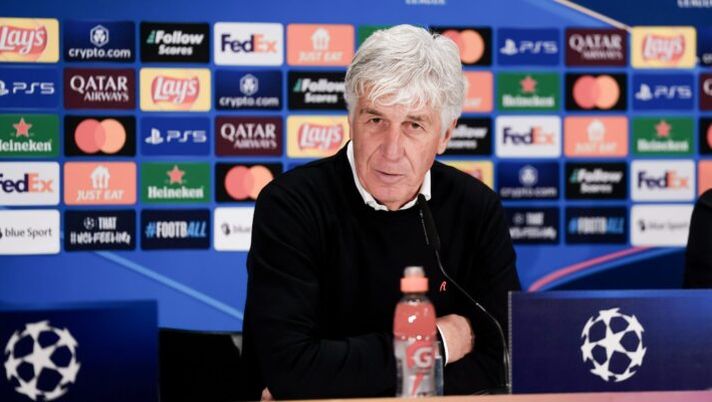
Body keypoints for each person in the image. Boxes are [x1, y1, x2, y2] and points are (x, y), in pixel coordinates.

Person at [241, 24, 521, 400]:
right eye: (376, 120)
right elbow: (292, 369)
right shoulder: (291, 206)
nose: (391, 150)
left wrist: (344, 379)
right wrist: (437, 341)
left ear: (445, 135)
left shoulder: (476, 209)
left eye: (414, 125)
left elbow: (505, 361)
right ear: (351, 119)